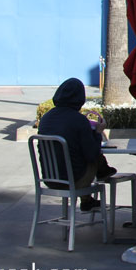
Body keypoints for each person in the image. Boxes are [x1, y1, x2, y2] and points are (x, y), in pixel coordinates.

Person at [37, 78, 117, 211]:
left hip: (50, 178)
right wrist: (98, 132)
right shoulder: (79, 120)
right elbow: (91, 154)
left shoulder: (46, 118)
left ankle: (87, 199)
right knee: (90, 157)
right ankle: (103, 172)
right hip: (75, 180)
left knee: (77, 156)